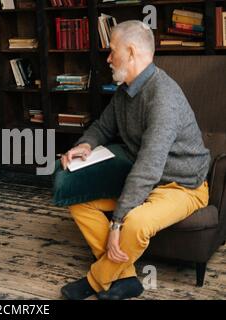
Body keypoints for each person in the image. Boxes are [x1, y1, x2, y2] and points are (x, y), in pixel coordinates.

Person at [59, 21, 210, 300]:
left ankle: (97, 279)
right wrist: (85, 145)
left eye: (111, 51)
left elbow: (149, 166)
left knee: (135, 223)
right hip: (145, 182)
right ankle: (127, 278)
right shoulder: (125, 92)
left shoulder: (163, 97)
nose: (107, 58)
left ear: (130, 51)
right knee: (77, 199)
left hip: (182, 186)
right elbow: (104, 126)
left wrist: (117, 223)